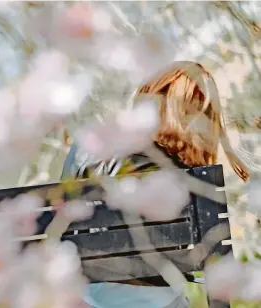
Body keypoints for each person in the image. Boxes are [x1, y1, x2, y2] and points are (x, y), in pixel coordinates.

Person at [61, 61, 249, 308]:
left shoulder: (88, 146)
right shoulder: (192, 180)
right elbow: (217, 281)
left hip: (83, 299)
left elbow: (62, 224)